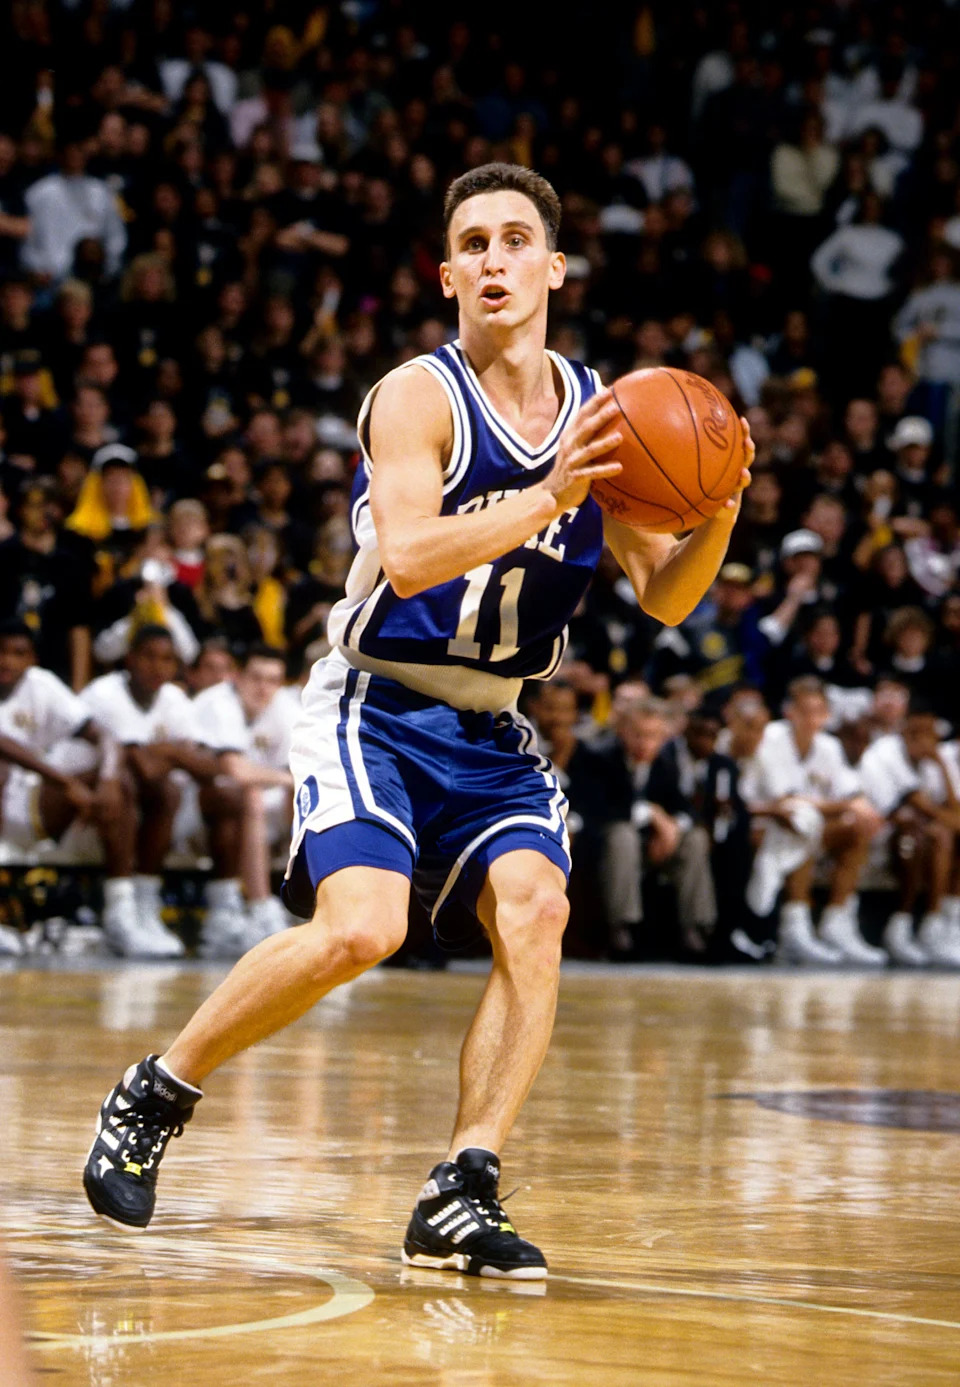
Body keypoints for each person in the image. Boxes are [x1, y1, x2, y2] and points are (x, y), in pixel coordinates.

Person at [83, 163, 752, 1278]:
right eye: (475, 244)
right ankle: (159, 1088)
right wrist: (549, 496)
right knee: (363, 928)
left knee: (536, 912)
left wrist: (718, 508)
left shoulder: (609, 414)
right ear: (448, 275)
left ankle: (463, 1183)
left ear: (554, 267)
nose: (496, 260)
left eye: (516, 240)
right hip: (375, 704)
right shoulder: (416, 396)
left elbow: (664, 591)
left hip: (492, 724)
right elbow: (407, 553)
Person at [0, 619, 168, 958]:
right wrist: (66, 782)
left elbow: (106, 736)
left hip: (31, 806)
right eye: (1, 652)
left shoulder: (42, 684)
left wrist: (106, 780)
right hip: (16, 795)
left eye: (18, 653)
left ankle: (121, 912)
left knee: (120, 781)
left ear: (32, 658)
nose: (7, 661)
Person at [79, 625, 247, 959]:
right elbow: (143, 767)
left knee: (228, 794)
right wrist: (175, 753)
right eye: (149, 657)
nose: (158, 667)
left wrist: (170, 753)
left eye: (167, 659)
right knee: (140, 784)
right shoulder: (104, 694)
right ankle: (121, 913)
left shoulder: (173, 698)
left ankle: (220, 916)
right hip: (87, 812)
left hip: (152, 814)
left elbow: (212, 768)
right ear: (129, 659)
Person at [742, 676, 884, 965]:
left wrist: (858, 806)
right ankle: (794, 929)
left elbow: (851, 792)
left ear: (827, 715)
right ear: (789, 711)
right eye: (805, 710)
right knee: (804, 828)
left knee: (856, 828)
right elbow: (786, 801)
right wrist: (848, 804)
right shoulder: (771, 738)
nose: (812, 718)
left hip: (803, 827)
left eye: (818, 711)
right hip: (762, 825)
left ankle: (836, 922)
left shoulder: (829, 746)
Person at [192, 644, 295, 946]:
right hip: (193, 811)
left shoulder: (286, 706)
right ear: (238, 677)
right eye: (256, 678)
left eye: (273, 680)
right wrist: (287, 779)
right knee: (250, 794)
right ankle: (261, 907)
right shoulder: (217, 702)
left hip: (255, 812)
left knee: (304, 795)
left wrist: (291, 782)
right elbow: (234, 769)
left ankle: (303, 901)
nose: (264, 688)